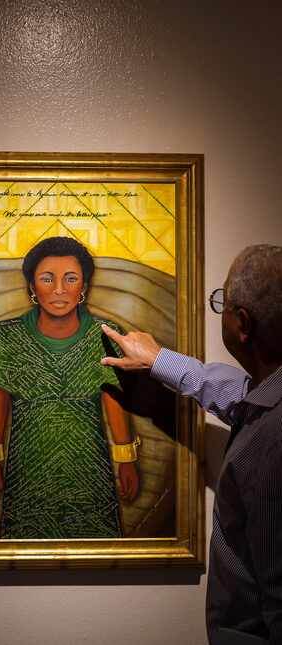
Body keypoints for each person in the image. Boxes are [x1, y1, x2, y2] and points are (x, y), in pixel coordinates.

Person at [101, 244, 282, 645]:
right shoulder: (268, 401)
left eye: (223, 303)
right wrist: (160, 358)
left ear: (242, 324)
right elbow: (242, 396)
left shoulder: (272, 444)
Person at [0, 236, 139, 539]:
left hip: (90, 469)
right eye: (47, 279)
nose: (60, 289)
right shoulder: (3, 339)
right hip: (28, 470)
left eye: (71, 278)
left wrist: (126, 462)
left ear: (84, 287)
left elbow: (114, 401)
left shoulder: (105, 335)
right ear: (32, 287)